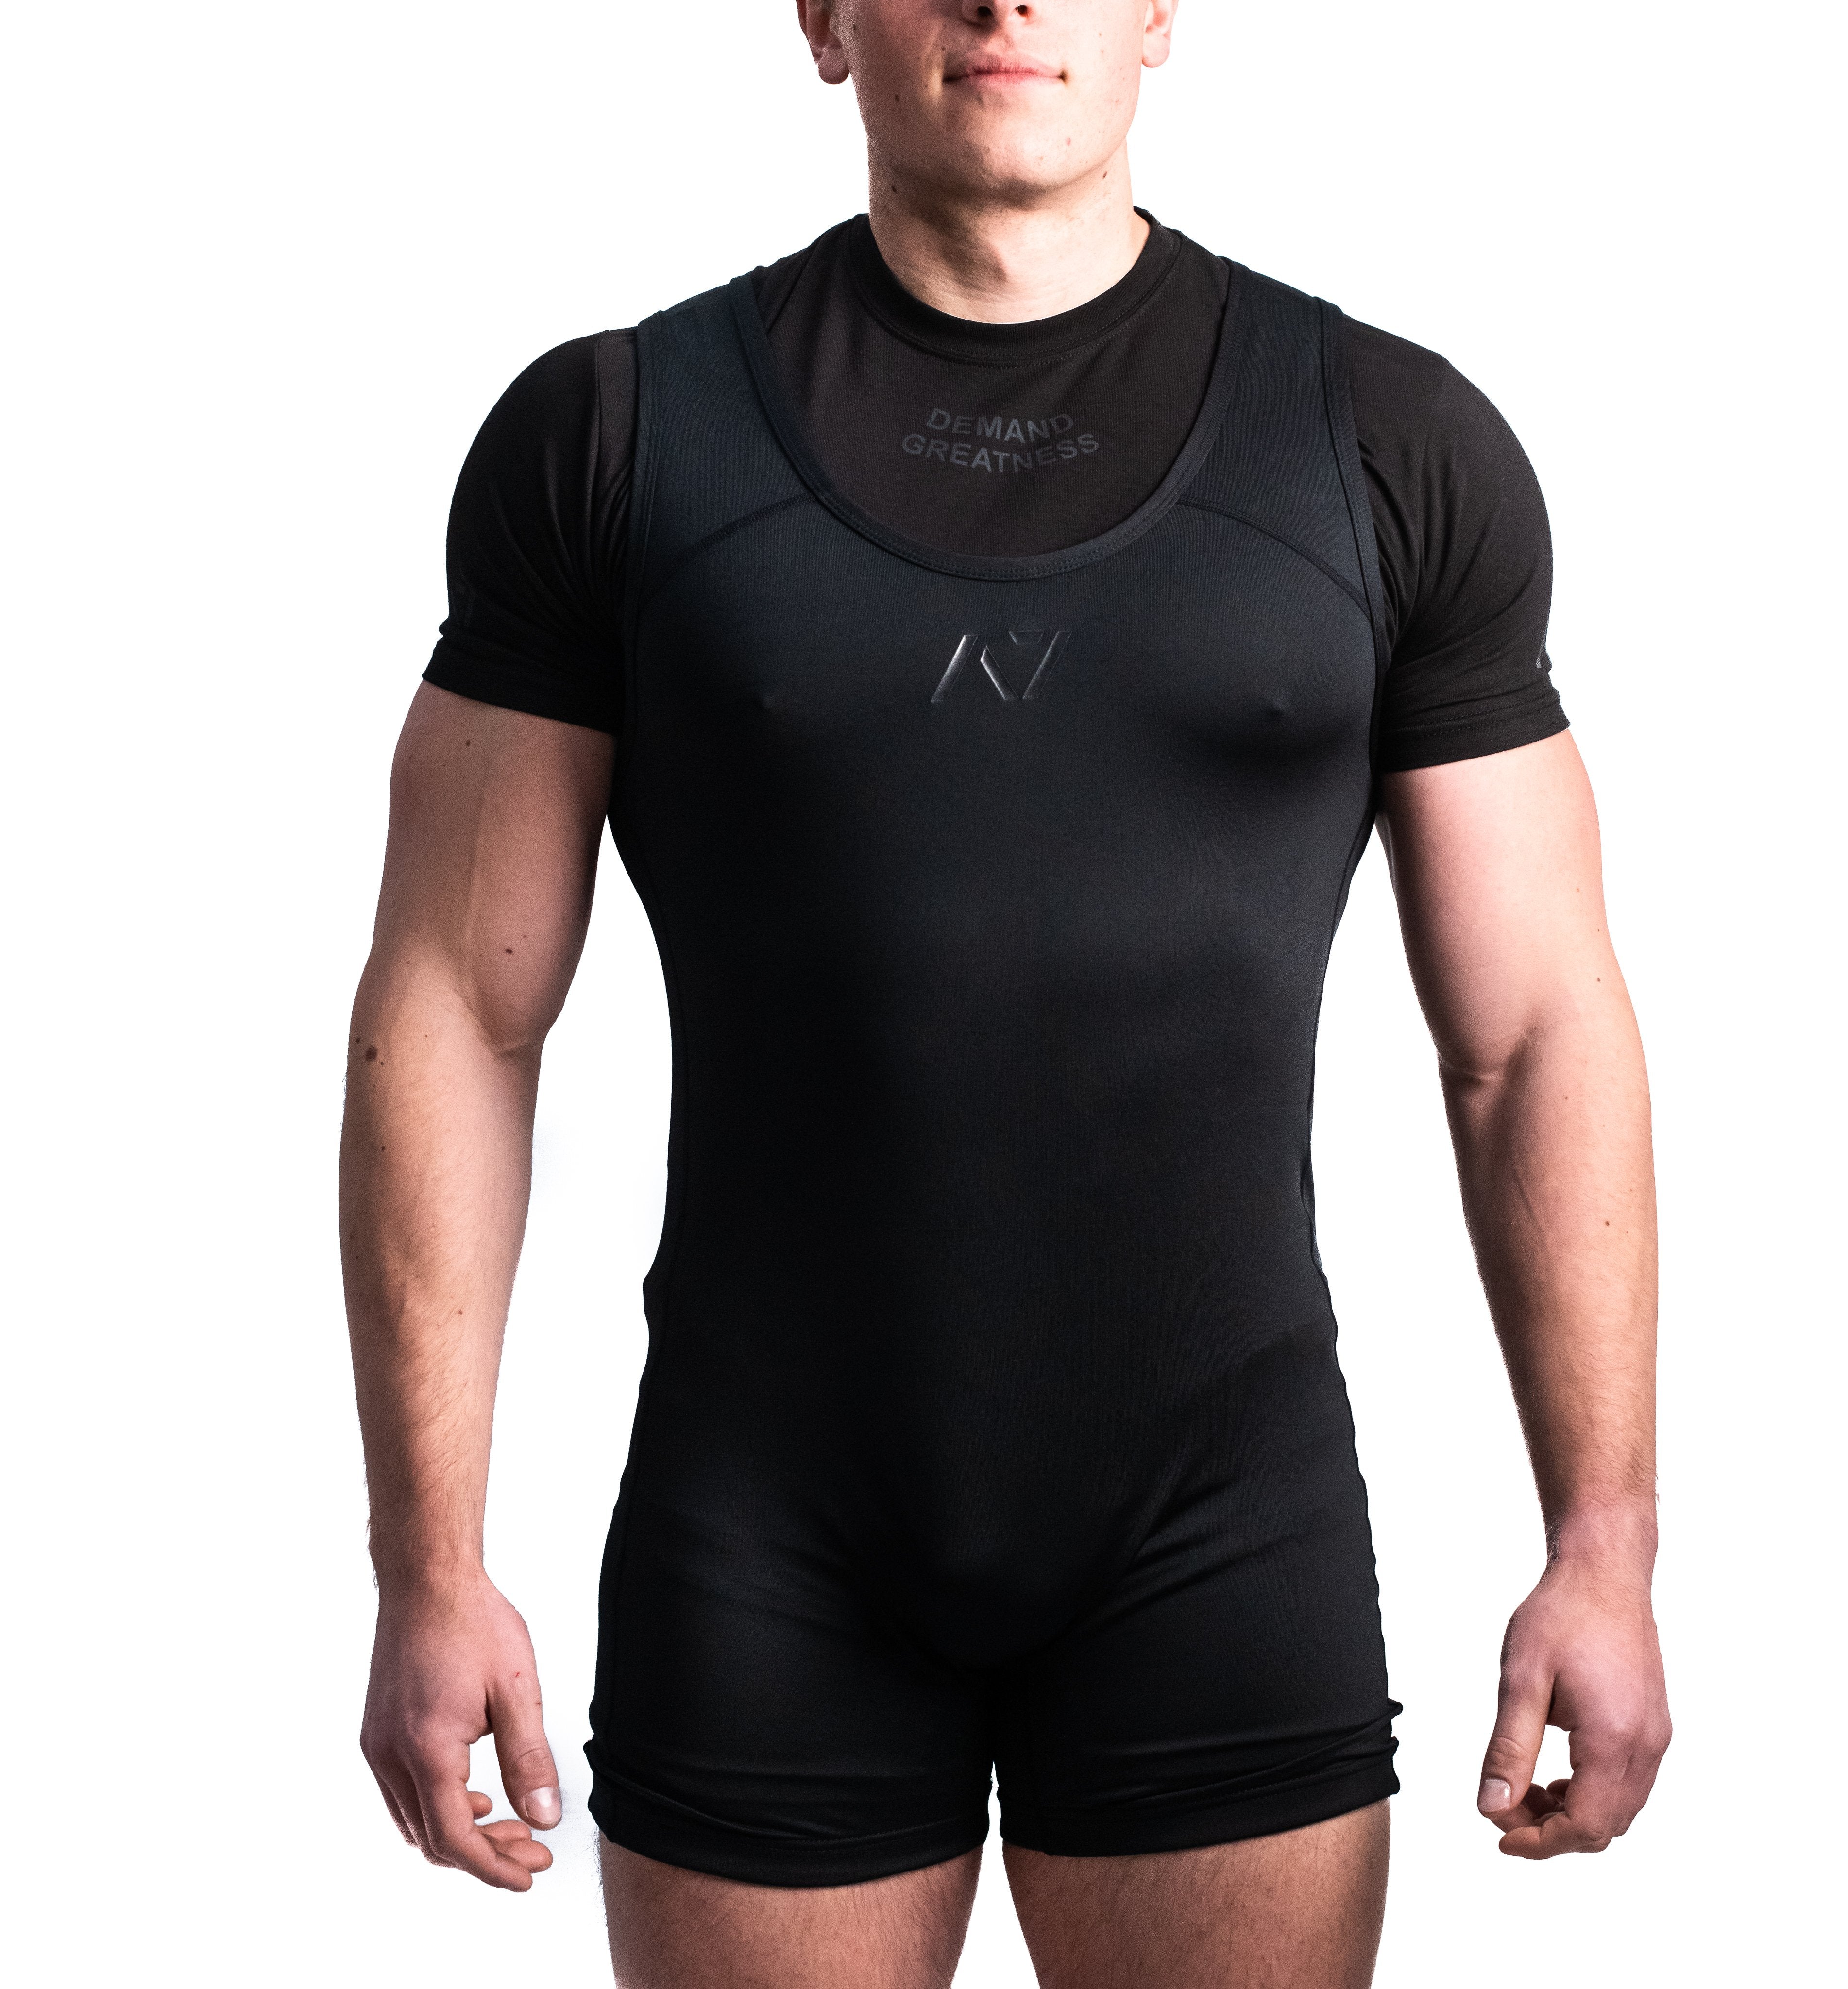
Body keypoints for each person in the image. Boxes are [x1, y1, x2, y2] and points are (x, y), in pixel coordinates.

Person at [340, 3, 1671, 1983]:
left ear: (1161, 17)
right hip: (766, 1540)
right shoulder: (614, 435)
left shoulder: (1384, 443)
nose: (1002, 0)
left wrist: (1605, 1541)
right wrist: (424, 1562)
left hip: (1221, 1538)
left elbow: (1532, 1028)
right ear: (822, 19)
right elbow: (457, 1006)